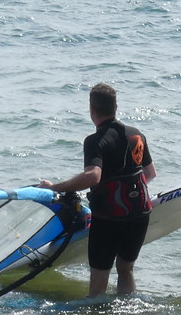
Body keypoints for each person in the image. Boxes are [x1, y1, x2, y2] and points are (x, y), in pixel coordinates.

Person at [39, 83, 157, 297]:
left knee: (100, 278)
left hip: (109, 219)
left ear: (91, 110)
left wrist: (55, 187)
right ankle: (127, 312)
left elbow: (93, 175)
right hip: (139, 215)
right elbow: (150, 174)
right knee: (126, 269)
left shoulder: (95, 141)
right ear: (116, 107)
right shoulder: (136, 135)